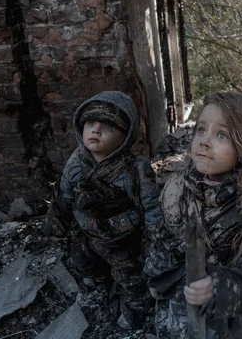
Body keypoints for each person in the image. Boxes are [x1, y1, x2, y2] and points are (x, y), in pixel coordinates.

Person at [145, 91, 242, 338]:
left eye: (222, 135)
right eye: (201, 130)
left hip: (238, 307)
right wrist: (157, 275)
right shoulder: (177, 188)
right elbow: (164, 238)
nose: (204, 141)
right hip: (190, 299)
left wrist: (221, 287)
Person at [43, 91, 162, 329]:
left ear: (124, 137)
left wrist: (155, 241)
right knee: (84, 261)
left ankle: (138, 306)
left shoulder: (135, 169)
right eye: (90, 124)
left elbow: (151, 207)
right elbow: (65, 195)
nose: (95, 130)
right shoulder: (77, 161)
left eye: (107, 127)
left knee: (130, 275)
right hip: (87, 232)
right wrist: (56, 225)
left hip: (122, 239)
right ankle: (98, 284)